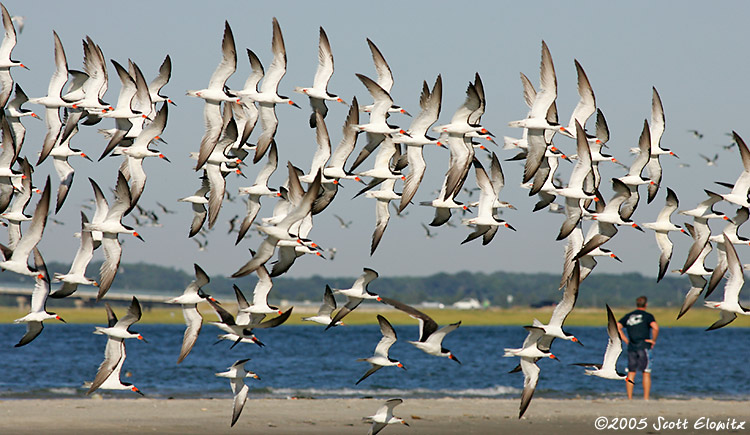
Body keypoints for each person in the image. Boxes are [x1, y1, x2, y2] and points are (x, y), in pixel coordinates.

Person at [617, 296, 659, 400]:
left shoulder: (629, 316)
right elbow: (655, 327)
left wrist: (626, 340)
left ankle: (630, 398)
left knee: (631, 372)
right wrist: (653, 339)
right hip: (644, 346)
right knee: (646, 372)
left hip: (632, 346)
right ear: (646, 304)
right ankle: (646, 398)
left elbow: (618, 326)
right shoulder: (648, 316)